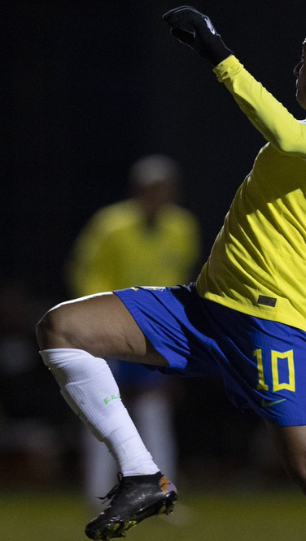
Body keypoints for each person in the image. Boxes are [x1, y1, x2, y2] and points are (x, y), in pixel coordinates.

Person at [37, 5, 306, 541]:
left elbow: (294, 140)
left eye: (305, 62)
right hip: (206, 307)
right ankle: (142, 474)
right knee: (63, 330)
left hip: (268, 323)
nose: (296, 72)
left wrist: (217, 54)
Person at [67, 154, 200, 511]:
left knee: (155, 411)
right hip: (110, 329)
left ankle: (162, 494)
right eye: (150, 188)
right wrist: (103, 321)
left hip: (156, 334)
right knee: (104, 408)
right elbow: (88, 273)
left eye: (164, 189)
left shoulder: (182, 227)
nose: (157, 195)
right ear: (138, 190)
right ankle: (98, 495)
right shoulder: (111, 225)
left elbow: (182, 281)